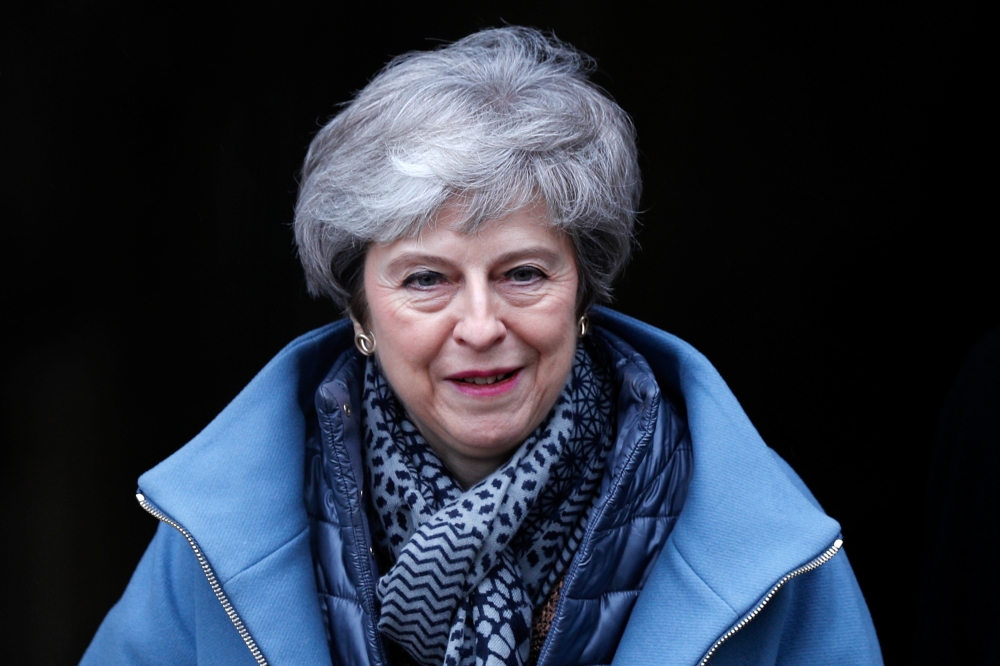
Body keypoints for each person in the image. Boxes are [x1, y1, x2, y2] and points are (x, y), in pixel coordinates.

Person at [82, 27, 882, 666]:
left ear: (584, 292)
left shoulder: (769, 541)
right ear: (359, 309)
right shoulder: (213, 533)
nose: (479, 326)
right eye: (426, 279)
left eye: (523, 273)